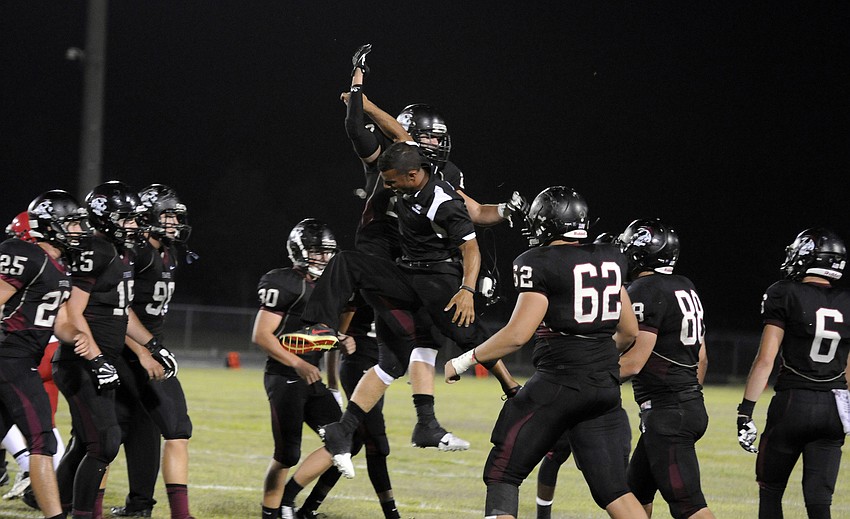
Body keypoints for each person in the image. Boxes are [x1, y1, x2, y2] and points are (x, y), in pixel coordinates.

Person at [278, 141, 509, 497]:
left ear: (415, 175)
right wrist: (359, 96)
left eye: (392, 181)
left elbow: (472, 247)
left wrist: (467, 289)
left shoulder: (443, 201)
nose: (387, 187)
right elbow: (392, 137)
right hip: (406, 274)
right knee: (347, 264)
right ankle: (320, 333)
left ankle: (510, 389)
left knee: (470, 339)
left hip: (439, 281)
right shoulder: (408, 168)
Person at [340, 45, 527, 451]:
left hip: (415, 261)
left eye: (437, 138)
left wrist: (508, 212)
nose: (433, 144)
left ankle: (420, 422)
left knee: (421, 340)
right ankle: (511, 392)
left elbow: (473, 211)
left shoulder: (441, 172)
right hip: (384, 254)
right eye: (426, 137)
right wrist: (361, 98)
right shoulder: (389, 159)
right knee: (407, 345)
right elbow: (376, 132)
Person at [443, 186, 648, 519]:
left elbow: (517, 335)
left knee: (502, 473)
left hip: (560, 383)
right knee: (615, 491)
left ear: (546, 224)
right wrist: (594, 359)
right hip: (604, 387)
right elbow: (629, 331)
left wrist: (464, 360)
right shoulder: (610, 257)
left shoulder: (538, 262)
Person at [54, 181, 177, 518]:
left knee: (87, 440)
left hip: (100, 359)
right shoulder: (96, 250)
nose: (135, 225)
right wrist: (96, 359)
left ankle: (56, 504)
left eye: (135, 219)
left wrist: (151, 345)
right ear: (105, 218)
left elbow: (121, 313)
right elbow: (73, 313)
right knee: (104, 442)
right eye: (127, 219)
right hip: (79, 360)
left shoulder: (122, 253)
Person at [0, 189, 103, 519]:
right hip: (10, 357)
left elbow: (58, 321)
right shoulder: (25, 254)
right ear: (51, 225)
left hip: (20, 358)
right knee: (44, 441)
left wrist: (75, 336)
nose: (79, 232)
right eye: (71, 225)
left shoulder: (56, 267)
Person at [737, 228, 850, 519]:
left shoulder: (784, 292)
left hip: (793, 403)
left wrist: (746, 410)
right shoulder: (847, 301)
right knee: (819, 501)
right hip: (834, 406)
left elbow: (765, 359)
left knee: (771, 491)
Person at [251, 219, 353, 519]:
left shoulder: (331, 286)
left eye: (327, 252)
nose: (323, 258)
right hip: (284, 376)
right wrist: (298, 364)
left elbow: (323, 336)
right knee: (287, 455)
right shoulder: (285, 282)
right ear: (299, 251)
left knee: (345, 438)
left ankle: (291, 503)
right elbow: (261, 336)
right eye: (317, 252)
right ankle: (271, 513)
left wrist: (340, 346)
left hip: (313, 377)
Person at [616, 218, 716, 519]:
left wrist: (589, 376)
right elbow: (703, 358)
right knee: (634, 492)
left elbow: (634, 362)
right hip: (686, 405)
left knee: (688, 506)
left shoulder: (645, 289)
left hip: (668, 413)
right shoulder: (685, 285)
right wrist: (685, 399)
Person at [109, 184, 196, 519]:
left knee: (148, 427)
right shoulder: (138, 252)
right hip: (127, 352)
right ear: (148, 216)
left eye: (176, 214)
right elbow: (119, 309)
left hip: (149, 351)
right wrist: (145, 351)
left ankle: (140, 506)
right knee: (106, 436)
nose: (173, 221)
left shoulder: (167, 252)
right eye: (167, 214)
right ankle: (72, 498)